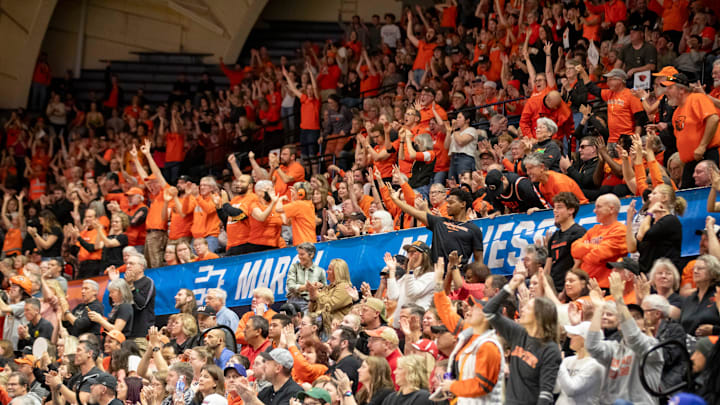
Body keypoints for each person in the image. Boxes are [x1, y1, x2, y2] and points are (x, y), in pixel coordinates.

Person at [483, 271, 561, 405]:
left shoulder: (550, 349)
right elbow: (489, 311)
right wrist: (510, 287)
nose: (523, 310)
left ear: (539, 316)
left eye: (528, 308)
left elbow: (545, 395)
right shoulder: (518, 333)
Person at [585, 272, 664, 405]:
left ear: (644, 325)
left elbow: (634, 337)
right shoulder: (614, 348)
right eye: (627, 317)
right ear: (619, 325)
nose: (631, 321)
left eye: (637, 318)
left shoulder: (652, 346)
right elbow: (592, 346)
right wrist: (599, 308)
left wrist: (619, 299)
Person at [432, 259, 504, 403]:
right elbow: (445, 311)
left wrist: (453, 386)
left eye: (474, 308)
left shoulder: (489, 345)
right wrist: (438, 282)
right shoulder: (467, 333)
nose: (468, 310)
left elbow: (482, 385)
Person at [390, 187, 483, 265]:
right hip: (437, 276)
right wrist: (395, 199)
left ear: (463, 204)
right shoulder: (439, 222)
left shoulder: (473, 229)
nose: (447, 206)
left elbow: (479, 261)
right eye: (447, 202)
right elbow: (413, 211)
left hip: (459, 277)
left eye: (451, 203)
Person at [662, 72, 720, 188]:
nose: (666, 91)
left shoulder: (697, 99)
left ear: (681, 90)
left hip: (706, 156)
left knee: (711, 192)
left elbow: (713, 119)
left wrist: (702, 146)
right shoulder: (677, 112)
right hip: (690, 162)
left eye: (670, 88)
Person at [571, 194, 628, 288]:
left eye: (599, 207)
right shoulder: (594, 229)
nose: (594, 211)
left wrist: (584, 252)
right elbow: (574, 249)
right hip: (586, 285)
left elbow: (597, 257)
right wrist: (594, 248)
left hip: (607, 287)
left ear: (611, 209)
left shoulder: (621, 230)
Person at [625, 186, 684, 274]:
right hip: (646, 275)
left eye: (654, 193)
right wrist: (629, 220)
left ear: (664, 198)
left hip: (663, 276)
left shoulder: (670, 221)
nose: (649, 196)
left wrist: (650, 212)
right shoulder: (650, 222)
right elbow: (631, 248)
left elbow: (641, 235)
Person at [385, 241, 435, 328]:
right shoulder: (406, 276)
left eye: (414, 252)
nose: (411, 255)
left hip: (416, 326)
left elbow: (412, 292)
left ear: (425, 256)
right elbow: (393, 296)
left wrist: (410, 271)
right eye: (409, 252)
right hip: (399, 325)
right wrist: (392, 271)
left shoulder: (431, 276)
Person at [546, 193, 587, 292]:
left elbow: (578, 264)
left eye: (559, 207)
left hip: (568, 287)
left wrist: (565, 290)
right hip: (553, 286)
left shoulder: (579, 233)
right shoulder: (554, 237)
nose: (555, 211)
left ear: (571, 210)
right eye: (554, 208)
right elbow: (547, 267)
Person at [556, 322, 604, 405]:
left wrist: (560, 362)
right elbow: (556, 389)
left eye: (575, 335)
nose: (570, 337)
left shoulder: (596, 365)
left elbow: (571, 390)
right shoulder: (568, 360)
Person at [524, 152, 588, 212]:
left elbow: (568, 209)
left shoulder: (559, 182)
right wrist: (539, 211)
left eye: (530, 168)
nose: (528, 172)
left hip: (581, 212)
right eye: (527, 169)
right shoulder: (541, 185)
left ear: (542, 167)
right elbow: (553, 208)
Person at [236, 348, 303, 405]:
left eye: (267, 363)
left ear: (278, 368)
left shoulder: (296, 393)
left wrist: (254, 400)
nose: (264, 366)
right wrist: (246, 400)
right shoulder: (265, 392)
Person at [307, 258, 353, 334]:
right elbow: (311, 310)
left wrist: (317, 294)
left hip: (337, 330)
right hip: (323, 328)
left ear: (338, 272)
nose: (327, 271)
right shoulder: (326, 289)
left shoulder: (344, 287)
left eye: (330, 269)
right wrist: (312, 297)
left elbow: (331, 304)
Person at [680, 254, 720, 337]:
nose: (695, 271)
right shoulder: (689, 299)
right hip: (688, 345)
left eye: (700, 268)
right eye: (694, 268)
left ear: (712, 271)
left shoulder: (718, 294)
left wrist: (714, 330)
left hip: (713, 345)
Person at [286, 242, 327, 313]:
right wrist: (307, 287)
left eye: (302, 254)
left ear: (311, 255)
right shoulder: (294, 267)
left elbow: (325, 291)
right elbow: (290, 287)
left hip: (311, 303)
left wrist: (319, 287)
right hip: (294, 301)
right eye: (298, 254)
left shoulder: (320, 271)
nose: (299, 257)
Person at [326, 326, 362, 392]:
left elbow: (328, 392)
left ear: (344, 343)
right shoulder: (339, 364)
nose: (328, 342)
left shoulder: (349, 364)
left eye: (333, 339)